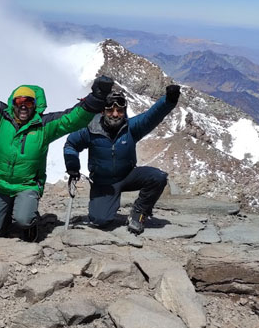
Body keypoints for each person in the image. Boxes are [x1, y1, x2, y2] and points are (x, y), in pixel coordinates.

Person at [0, 61, 113, 242]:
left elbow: (73, 118)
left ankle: (30, 223)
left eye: (29, 102)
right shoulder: (2, 117)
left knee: (24, 219)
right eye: (19, 101)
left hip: (27, 185)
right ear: (13, 103)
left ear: (35, 105)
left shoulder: (44, 126)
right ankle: (7, 217)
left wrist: (97, 97)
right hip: (2, 185)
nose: (23, 106)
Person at [63, 85, 181, 234]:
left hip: (127, 175)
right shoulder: (90, 129)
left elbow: (152, 116)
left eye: (119, 110)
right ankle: (105, 207)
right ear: (102, 111)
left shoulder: (131, 127)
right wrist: (72, 164)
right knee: (100, 220)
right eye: (110, 110)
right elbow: (71, 144)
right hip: (103, 182)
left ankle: (139, 213)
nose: (115, 114)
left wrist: (169, 100)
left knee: (158, 177)